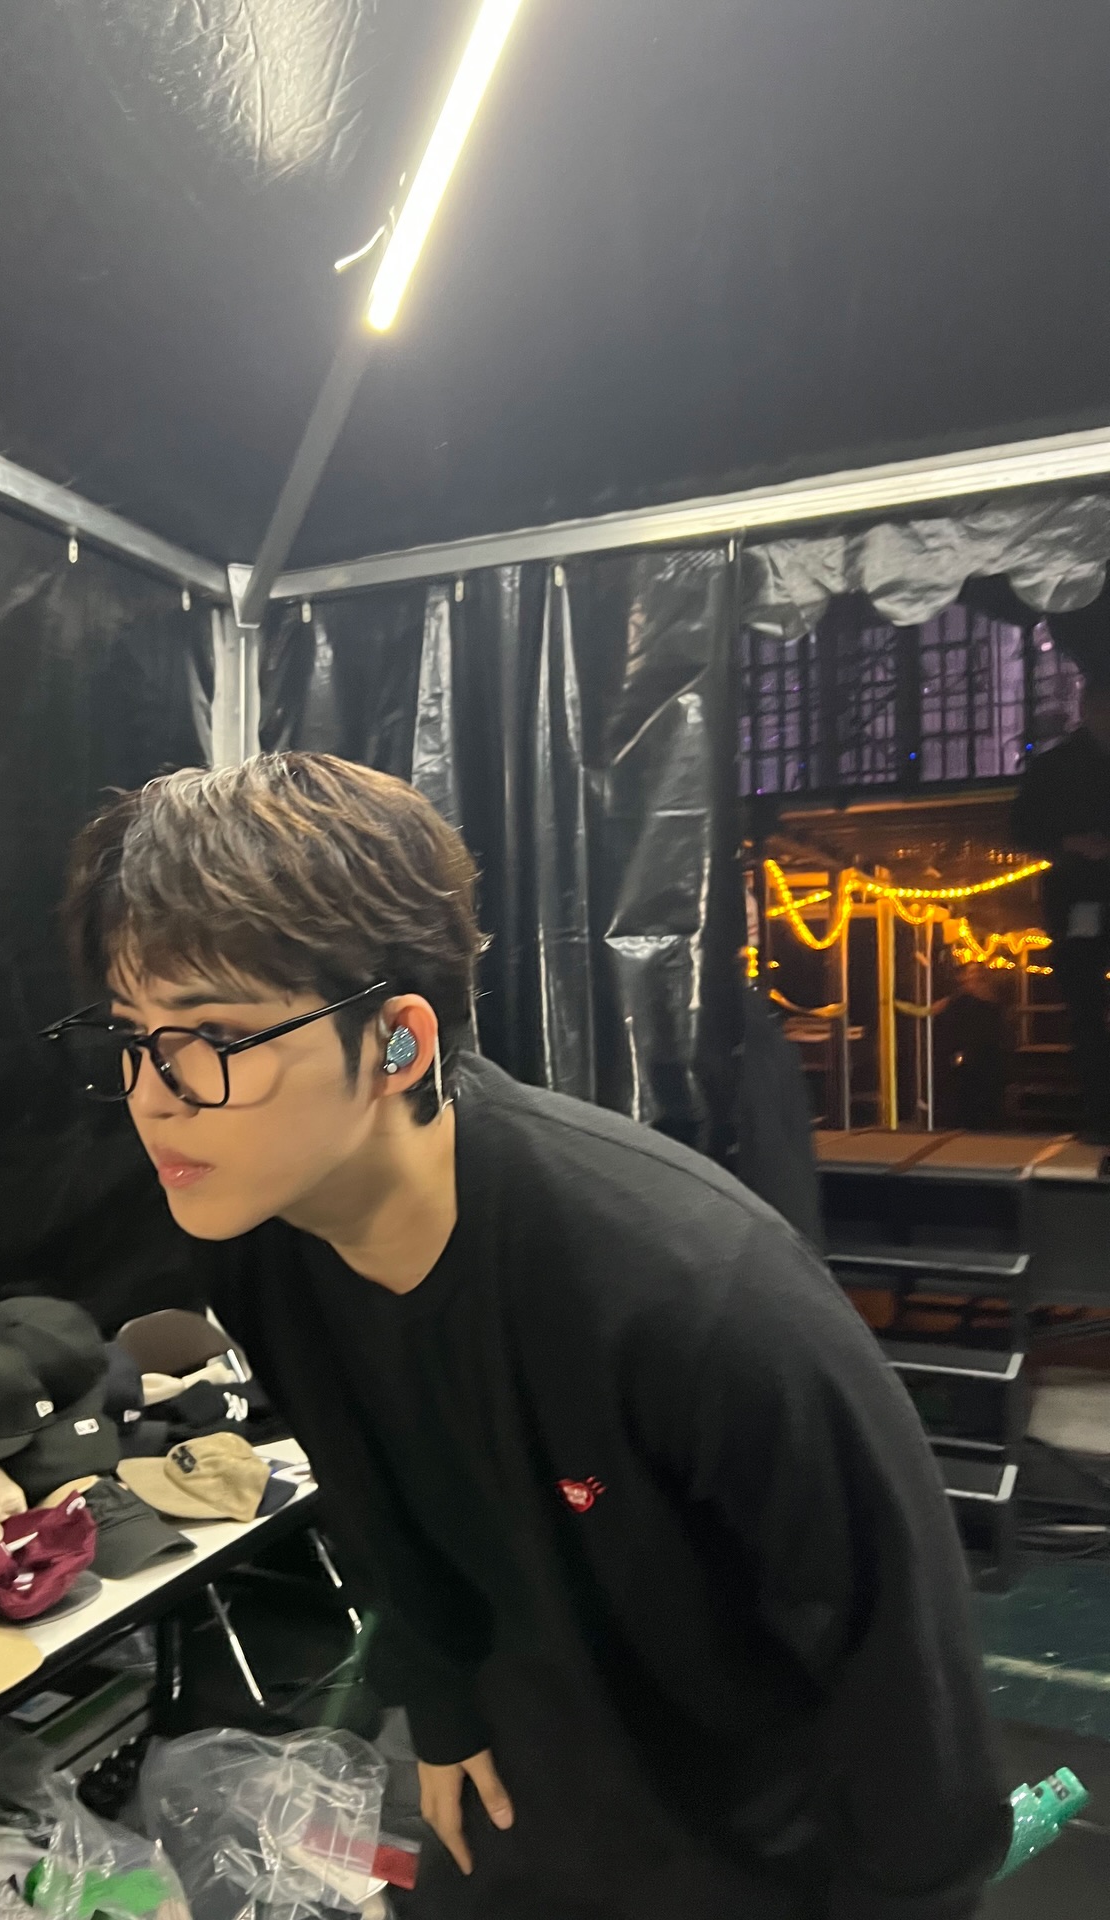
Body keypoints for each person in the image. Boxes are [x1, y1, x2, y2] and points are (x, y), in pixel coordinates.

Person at [57, 754, 1006, 1920]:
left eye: (212, 1037)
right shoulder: (256, 1228)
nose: (155, 1094)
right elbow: (367, 1484)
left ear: (397, 1047)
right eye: (133, 1035)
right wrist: (442, 1706)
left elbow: (898, 1655)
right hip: (526, 1778)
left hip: (769, 1834)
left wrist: (910, 1895)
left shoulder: (687, 1289)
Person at [1010, 681, 1110, 1141]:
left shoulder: (1054, 766)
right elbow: (1022, 828)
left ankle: (1100, 1113)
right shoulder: (1055, 766)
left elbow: (1023, 827)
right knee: (1084, 1006)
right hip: (1079, 893)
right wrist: (1072, 842)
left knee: (1085, 1006)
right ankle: (1100, 1112)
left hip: (1077, 896)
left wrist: (1067, 842)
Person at [932, 962, 1010, 1132]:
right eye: (971, 973)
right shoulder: (959, 1002)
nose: (973, 978)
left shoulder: (988, 1003)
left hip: (985, 1059)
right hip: (967, 1060)